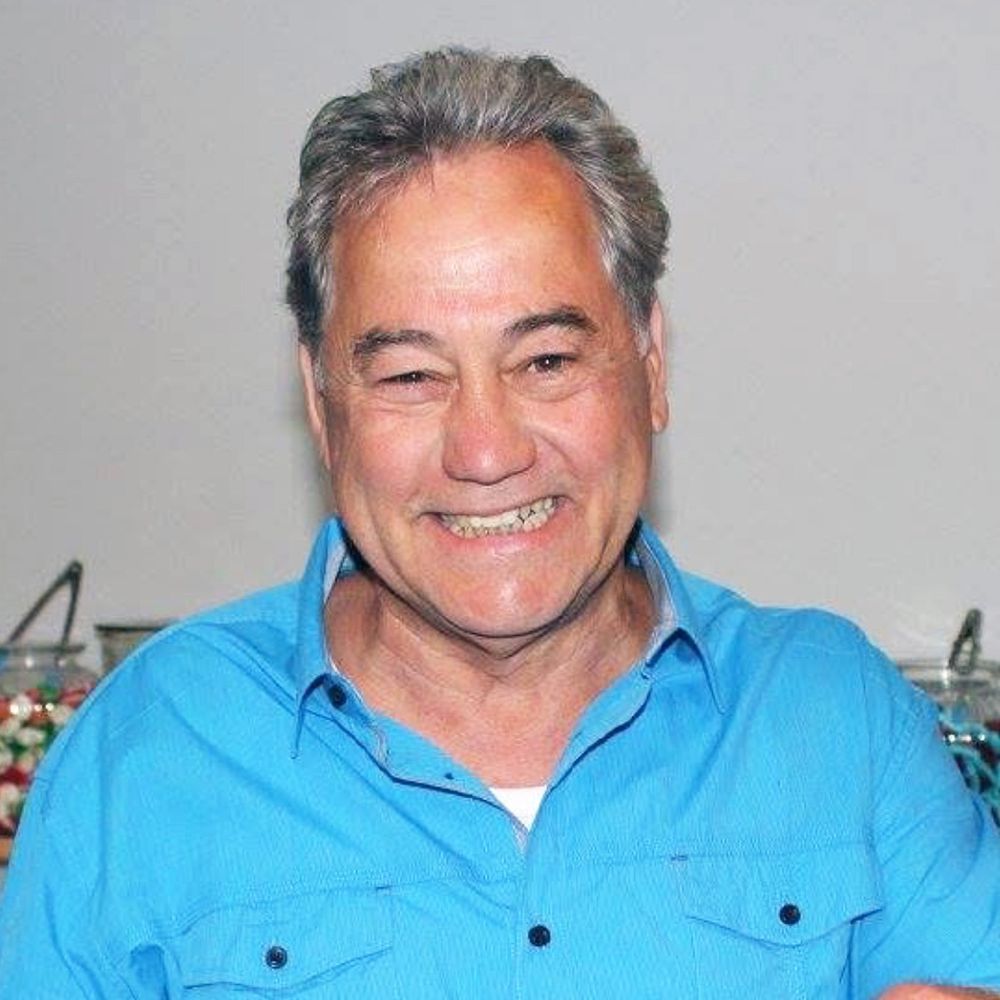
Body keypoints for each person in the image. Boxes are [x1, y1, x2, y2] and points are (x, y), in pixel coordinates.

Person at [1, 47, 998, 999]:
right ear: (320, 403)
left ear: (650, 364)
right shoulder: (145, 752)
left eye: (547, 361)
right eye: (410, 375)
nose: (484, 450)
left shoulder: (840, 720)